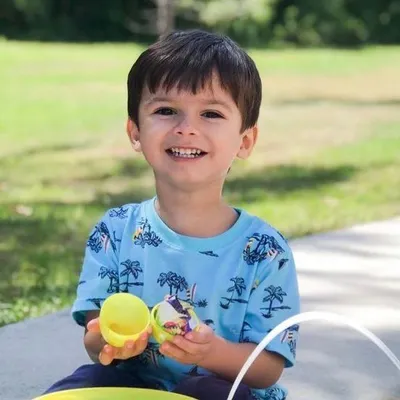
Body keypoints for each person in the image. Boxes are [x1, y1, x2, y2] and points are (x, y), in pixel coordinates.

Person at [43, 29, 300, 400]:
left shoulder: (264, 250)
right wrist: (111, 342)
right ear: (135, 131)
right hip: (137, 385)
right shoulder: (114, 232)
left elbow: (267, 369)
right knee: (85, 382)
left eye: (211, 113)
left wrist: (211, 352)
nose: (186, 128)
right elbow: (94, 339)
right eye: (166, 111)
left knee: (207, 389)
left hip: (224, 391)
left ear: (244, 141)